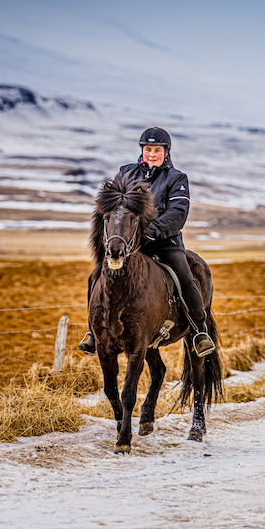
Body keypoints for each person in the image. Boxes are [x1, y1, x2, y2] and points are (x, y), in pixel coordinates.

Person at [78, 127, 216, 357]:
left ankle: (200, 332)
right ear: (142, 150)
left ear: (166, 152)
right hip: (129, 244)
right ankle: (94, 332)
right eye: (148, 149)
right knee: (95, 278)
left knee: (185, 278)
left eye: (157, 150)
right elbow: (115, 207)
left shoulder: (176, 178)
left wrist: (151, 231)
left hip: (164, 243)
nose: (152, 154)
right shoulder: (126, 172)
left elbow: (178, 213)